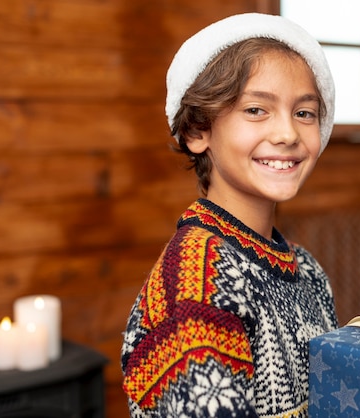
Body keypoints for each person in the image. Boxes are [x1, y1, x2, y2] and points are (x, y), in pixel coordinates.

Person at [121, 13, 339, 417]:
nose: (288, 133)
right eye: (257, 110)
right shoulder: (196, 282)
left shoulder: (306, 268)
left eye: (304, 113)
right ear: (197, 131)